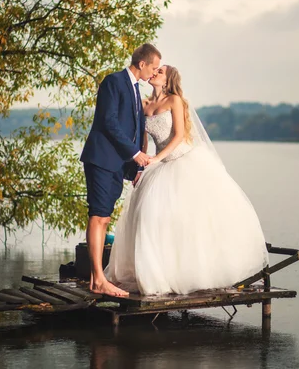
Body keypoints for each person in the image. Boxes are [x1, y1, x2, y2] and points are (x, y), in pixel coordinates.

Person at [105, 65, 269, 295]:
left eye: (160, 71)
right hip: (157, 165)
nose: (154, 73)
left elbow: (180, 136)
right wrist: (139, 168)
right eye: (155, 70)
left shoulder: (175, 101)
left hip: (183, 161)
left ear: (168, 79)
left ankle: (191, 272)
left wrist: (157, 158)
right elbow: (142, 142)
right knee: (150, 217)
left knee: (188, 220)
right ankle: (154, 272)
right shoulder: (142, 105)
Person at [80, 43, 161, 297]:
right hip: (102, 160)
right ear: (141, 64)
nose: (154, 73)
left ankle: (96, 280)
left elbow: (134, 131)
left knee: (104, 217)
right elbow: (109, 123)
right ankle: (99, 280)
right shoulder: (113, 82)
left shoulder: (136, 89)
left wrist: (133, 167)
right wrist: (137, 155)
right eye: (154, 67)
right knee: (99, 216)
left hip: (117, 164)